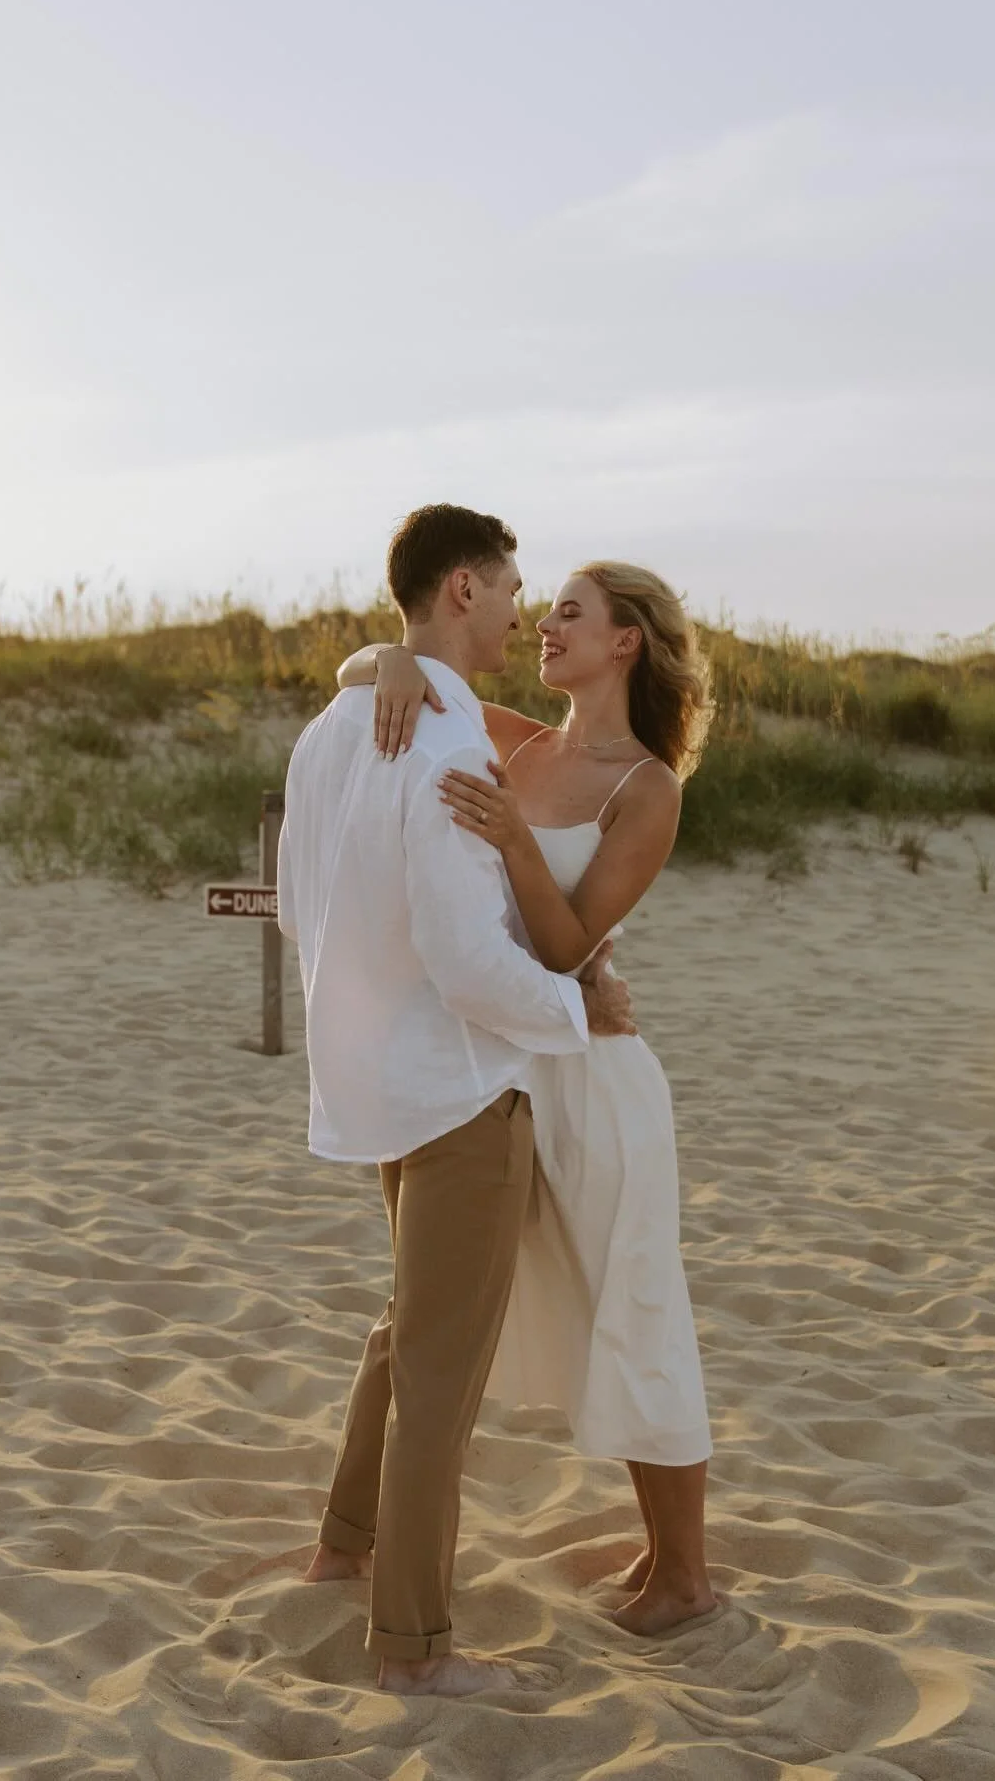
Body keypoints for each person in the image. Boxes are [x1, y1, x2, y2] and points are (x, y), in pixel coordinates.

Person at [276, 506, 637, 1698]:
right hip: (460, 1093)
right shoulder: (444, 748)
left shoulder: (331, 731)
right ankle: (413, 1652)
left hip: (379, 1082)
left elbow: (298, 912)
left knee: (404, 1331)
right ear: (465, 587)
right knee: (440, 1370)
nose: (526, 609)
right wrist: (580, 1010)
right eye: (515, 588)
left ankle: (342, 1544)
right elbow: (469, 959)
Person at [335, 559, 721, 1640]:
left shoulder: (647, 787)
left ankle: (685, 1573)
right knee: (439, 1298)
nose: (544, 624)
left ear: (626, 642)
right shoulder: (510, 733)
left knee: (632, 1301)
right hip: (497, 1066)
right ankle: (348, 1535)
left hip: (595, 1081)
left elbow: (565, 943)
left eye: (569, 612)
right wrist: (402, 658)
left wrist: (511, 838)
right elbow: (354, 666)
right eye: (542, 606)